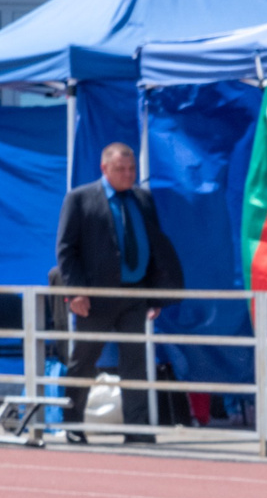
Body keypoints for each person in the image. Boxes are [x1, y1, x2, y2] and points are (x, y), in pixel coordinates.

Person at [53, 143, 182, 443]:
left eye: (131, 169)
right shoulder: (80, 199)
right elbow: (66, 250)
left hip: (135, 295)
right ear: (104, 169)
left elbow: (153, 249)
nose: (128, 174)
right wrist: (76, 292)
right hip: (95, 298)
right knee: (84, 361)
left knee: (135, 364)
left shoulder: (142, 199)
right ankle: (73, 425)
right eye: (120, 169)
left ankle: (136, 429)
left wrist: (156, 296)